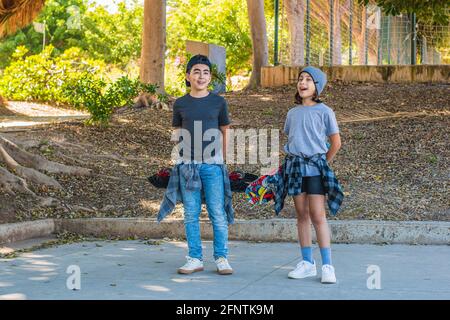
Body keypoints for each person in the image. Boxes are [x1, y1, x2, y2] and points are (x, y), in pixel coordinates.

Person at [157, 54, 234, 275]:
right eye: (197, 72)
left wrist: (223, 159)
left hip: (212, 165)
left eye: (206, 72)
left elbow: (224, 131)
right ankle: (194, 258)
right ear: (188, 76)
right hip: (188, 165)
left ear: (210, 77)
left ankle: (221, 258)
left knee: (216, 212)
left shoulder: (219, 102)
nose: (201, 76)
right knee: (190, 213)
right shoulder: (180, 103)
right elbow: (178, 133)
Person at [269, 66, 344, 284]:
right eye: (301, 78)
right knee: (301, 216)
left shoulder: (325, 112)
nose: (303, 82)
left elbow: (336, 143)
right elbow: (292, 141)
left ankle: (327, 266)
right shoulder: (292, 113)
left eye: (309, 79)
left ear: (317, 87)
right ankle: (307, 263)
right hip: (295, 169)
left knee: (318, 216)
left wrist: (322, 164)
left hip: (315, 171)